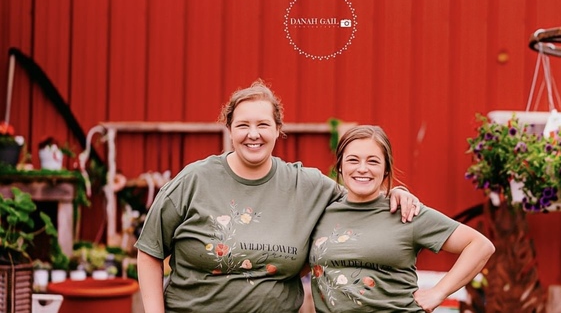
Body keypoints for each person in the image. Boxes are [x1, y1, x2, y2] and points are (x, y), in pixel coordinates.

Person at [135, 80, 421, 313]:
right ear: (229, 129)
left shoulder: (305, 185)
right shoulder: (194, 180)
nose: (253, 134)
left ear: (278, 130)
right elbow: (150, 250)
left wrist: (395, 191)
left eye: (263, 125)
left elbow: (360, 198)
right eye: (243, 125)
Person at [309, 125, 495, 312]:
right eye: (353, 160)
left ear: (386, 169)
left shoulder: (405, 211)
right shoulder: (321, 211)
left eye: (373, 161)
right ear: (340, 167)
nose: (362, 169)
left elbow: (480, 245)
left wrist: (439, 292)